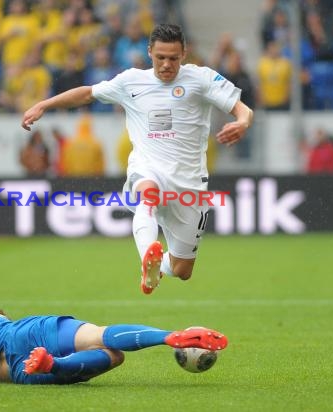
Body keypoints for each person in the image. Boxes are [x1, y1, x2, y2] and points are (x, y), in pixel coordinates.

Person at [21, 23, 253, 295]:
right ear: (149, 53)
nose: (167, 64)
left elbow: (242, 108)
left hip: (189, 183)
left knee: (182, 270)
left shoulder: (201, 79)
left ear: (184, 54)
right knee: (148, 194)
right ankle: (147, 259)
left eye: (173, 58)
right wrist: (43, 105)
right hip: (148, 167)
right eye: (160, 57)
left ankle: (160, 265)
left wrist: (243, 122)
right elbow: (87, 93)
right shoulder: (131, 81)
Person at [0, 303, 228, 385]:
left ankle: (53, 366)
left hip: (11, 365)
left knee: (110, 357)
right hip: (31, 332)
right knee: (104, 340)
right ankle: (166, 337)